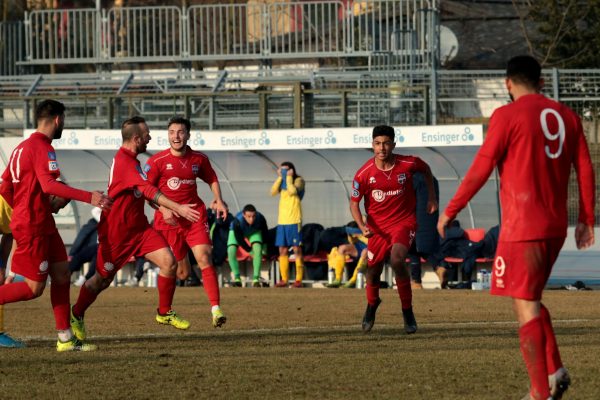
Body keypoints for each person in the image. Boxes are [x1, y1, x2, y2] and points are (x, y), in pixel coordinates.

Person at [437, 55, 595, 400]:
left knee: (524, 303)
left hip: (523, 224)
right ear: (541, 82)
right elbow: (584, 166)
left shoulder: (507, 115)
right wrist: (586, 218)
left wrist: (451, 209)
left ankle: (540, 392)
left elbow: (482, 166)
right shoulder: (567, 116)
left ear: (508, 84)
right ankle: (555, 370)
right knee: (529, 298)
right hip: (555, 226)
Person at [70, 116, 202, 345]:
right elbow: (150, 190)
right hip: (116, 235)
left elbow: (142, 193)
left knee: (169, 263)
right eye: (147, 135)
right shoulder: (125, 162)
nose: (150, 138)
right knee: (100, 281)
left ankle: (164, 312)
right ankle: (76, 313)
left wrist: (162, 207)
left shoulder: (133, 161)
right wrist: (177, 206)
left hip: (140, 230)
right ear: (136, 138)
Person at [0, 99, 111, 352]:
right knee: (33, 288)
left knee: (62, 274)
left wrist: (30, 205)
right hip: (33, 226)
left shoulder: (21, 147)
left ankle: (65, 338)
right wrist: (89, 196)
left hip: (41, 222)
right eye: (64, 120)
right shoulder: (42, 147)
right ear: (58, 119)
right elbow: (49, 186)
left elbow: (6, 186)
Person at [350, 125, 437, 334]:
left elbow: (426, 170)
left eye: (386, 143)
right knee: (373, 270)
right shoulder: (363, 174)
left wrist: (432, 197)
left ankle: (407, 312)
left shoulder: (408, 163)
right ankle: (372, 304)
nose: (382, 148)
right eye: (378, 143)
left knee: (398, 259)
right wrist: (362, 226)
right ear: (372, 146)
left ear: (393, 145)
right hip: (377, 229)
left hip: (403, 223)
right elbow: (354, 203)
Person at [145, 116, 228, 328]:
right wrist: (163, 209)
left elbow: (211, 178)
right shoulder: (156, 162)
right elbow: (146, 192)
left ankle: (216, 310)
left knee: (204, 257)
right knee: (181, 272)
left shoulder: (198, 159)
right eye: (172, 132)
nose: (176, 136)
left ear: (188, 135)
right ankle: (165, 311)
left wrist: (218, 199)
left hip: (194, 215)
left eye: (181, 132)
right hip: (169, 221)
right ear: (168, 135)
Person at [408, 172, 449, 289]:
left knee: (411, 242)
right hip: (430, 188)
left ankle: (416, 281)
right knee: (423, 241)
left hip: (412, 187)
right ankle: (439, 267)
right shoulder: (431, 179)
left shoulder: (403, 176)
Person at [270, 161, 305, 288]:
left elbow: (292, 191)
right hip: (282, 221)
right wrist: (280, 177)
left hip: (294, 220)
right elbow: (272, 192)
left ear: (292, 170)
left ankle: (298, 280)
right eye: (282, 170)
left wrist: (289, 177)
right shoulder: (281, 181)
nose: (284, 172)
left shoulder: (299, 180)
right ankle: (284, 279)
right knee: (282, 250)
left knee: (297, 249)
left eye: (286, 170)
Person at [227, 204, 269, 287]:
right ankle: (237, 278)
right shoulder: (237, 222)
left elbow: (265, 232)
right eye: (249, 216)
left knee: (258, 249)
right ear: (243, 215)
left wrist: (264, 246)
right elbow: (240, 239)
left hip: (253, 231)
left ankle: (256, 279)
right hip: (237, 232)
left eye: (253, 216)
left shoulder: (260, 218)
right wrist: (249, 250)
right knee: (231, 250)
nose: (251, 219)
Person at [325, 222, 368, 288]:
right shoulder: (358, 223)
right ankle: (338, 279)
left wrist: (360, 235)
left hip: (371, 249)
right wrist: (352, 235)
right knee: (342, 248)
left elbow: (369, 242)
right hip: (359, 248)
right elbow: (352, 242)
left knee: (365, 251)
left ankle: (353, 280)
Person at [69, 207, 101, 286]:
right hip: (96, 246)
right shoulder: (98, 220)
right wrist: (72, 253)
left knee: (97, 257)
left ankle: (86, 278)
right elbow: (95, 211)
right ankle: (64, 275)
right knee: (77, 257)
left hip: (106, 248)